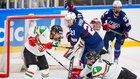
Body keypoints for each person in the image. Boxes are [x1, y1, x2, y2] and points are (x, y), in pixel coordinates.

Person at [64, 2, 104, 67]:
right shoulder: (79, 19)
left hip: (95, 45)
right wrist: (72, 8)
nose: (67, 22)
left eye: (69, 21)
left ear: (73, 20)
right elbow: (78, 13)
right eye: (67, 21)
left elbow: (73, 43)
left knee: (87, 61)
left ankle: (91, 74)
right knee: (83, 59)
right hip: (95, 42)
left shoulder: (75, 29)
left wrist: (68, 36)